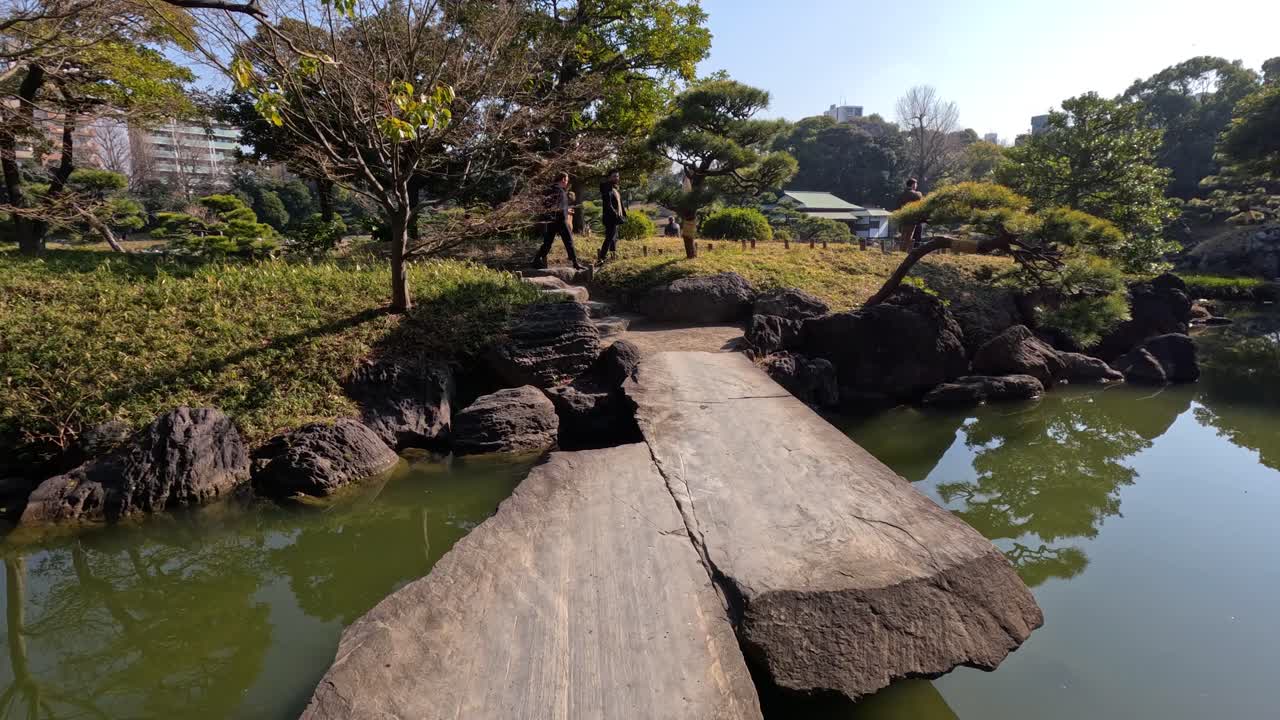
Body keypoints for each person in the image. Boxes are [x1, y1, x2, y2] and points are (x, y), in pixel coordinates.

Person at [532, 171, 582, 269]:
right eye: (566, 180)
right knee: (569, 241)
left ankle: (536, 260)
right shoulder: (560, 191)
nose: (567, 183)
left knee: (547, 242)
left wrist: (565, 210)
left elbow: (549, 205)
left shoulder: (550, 189)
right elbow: (557, 206)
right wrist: (562, 213)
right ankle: (575, 263)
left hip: (552, 220)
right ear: (563, 179)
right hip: (560, 220)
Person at [598, 169, 626, 262]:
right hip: (610, 217)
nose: (616, 178)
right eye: (614, 176)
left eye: (617, 176)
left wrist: (620, 215)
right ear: (609, 178)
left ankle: (613, 256)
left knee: (613, 237)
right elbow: (608, 204)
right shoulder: (607, 188)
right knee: (609, 237)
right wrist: (615, 214)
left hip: (615, 217)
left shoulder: (614, 188)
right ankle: (601, 257)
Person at [896, 178, 925, 252]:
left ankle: (902, 251)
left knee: (904, 236)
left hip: (903, 219)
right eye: (916, 184)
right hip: (914, 219)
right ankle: (914, 251)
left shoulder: (902, 195)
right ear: (913, 185)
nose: (916, 186)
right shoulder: (915, 194)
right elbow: (920, 198)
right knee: (914, 237)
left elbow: (898, 207)